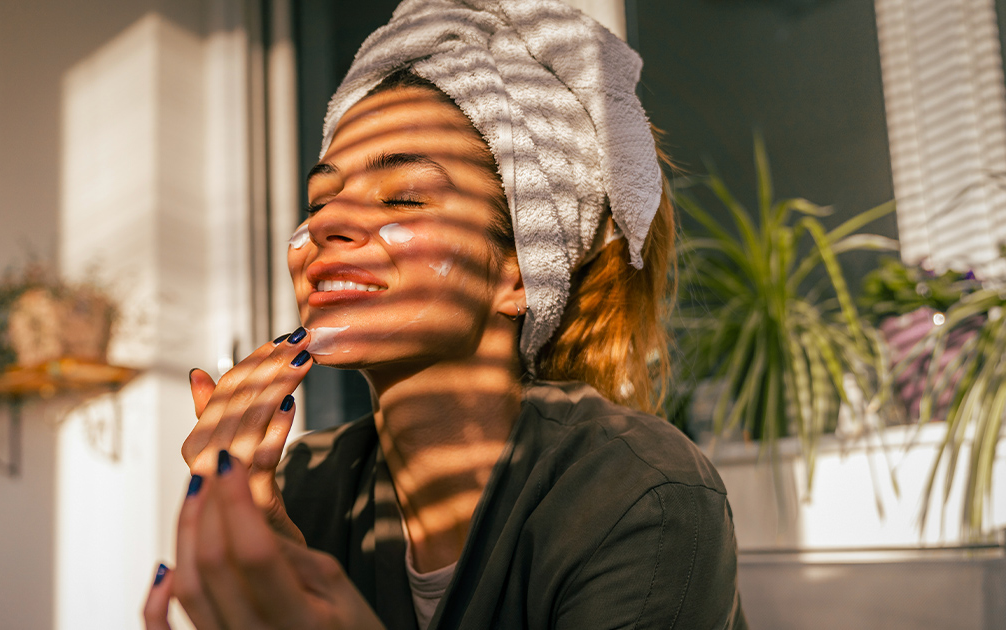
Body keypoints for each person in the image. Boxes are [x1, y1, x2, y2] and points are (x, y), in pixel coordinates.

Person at [144, 0, 747, 628]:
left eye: (404, 198)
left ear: (520, 272)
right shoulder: (308, 486)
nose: (325, 222)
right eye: (319, 200)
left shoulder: (641, 494)